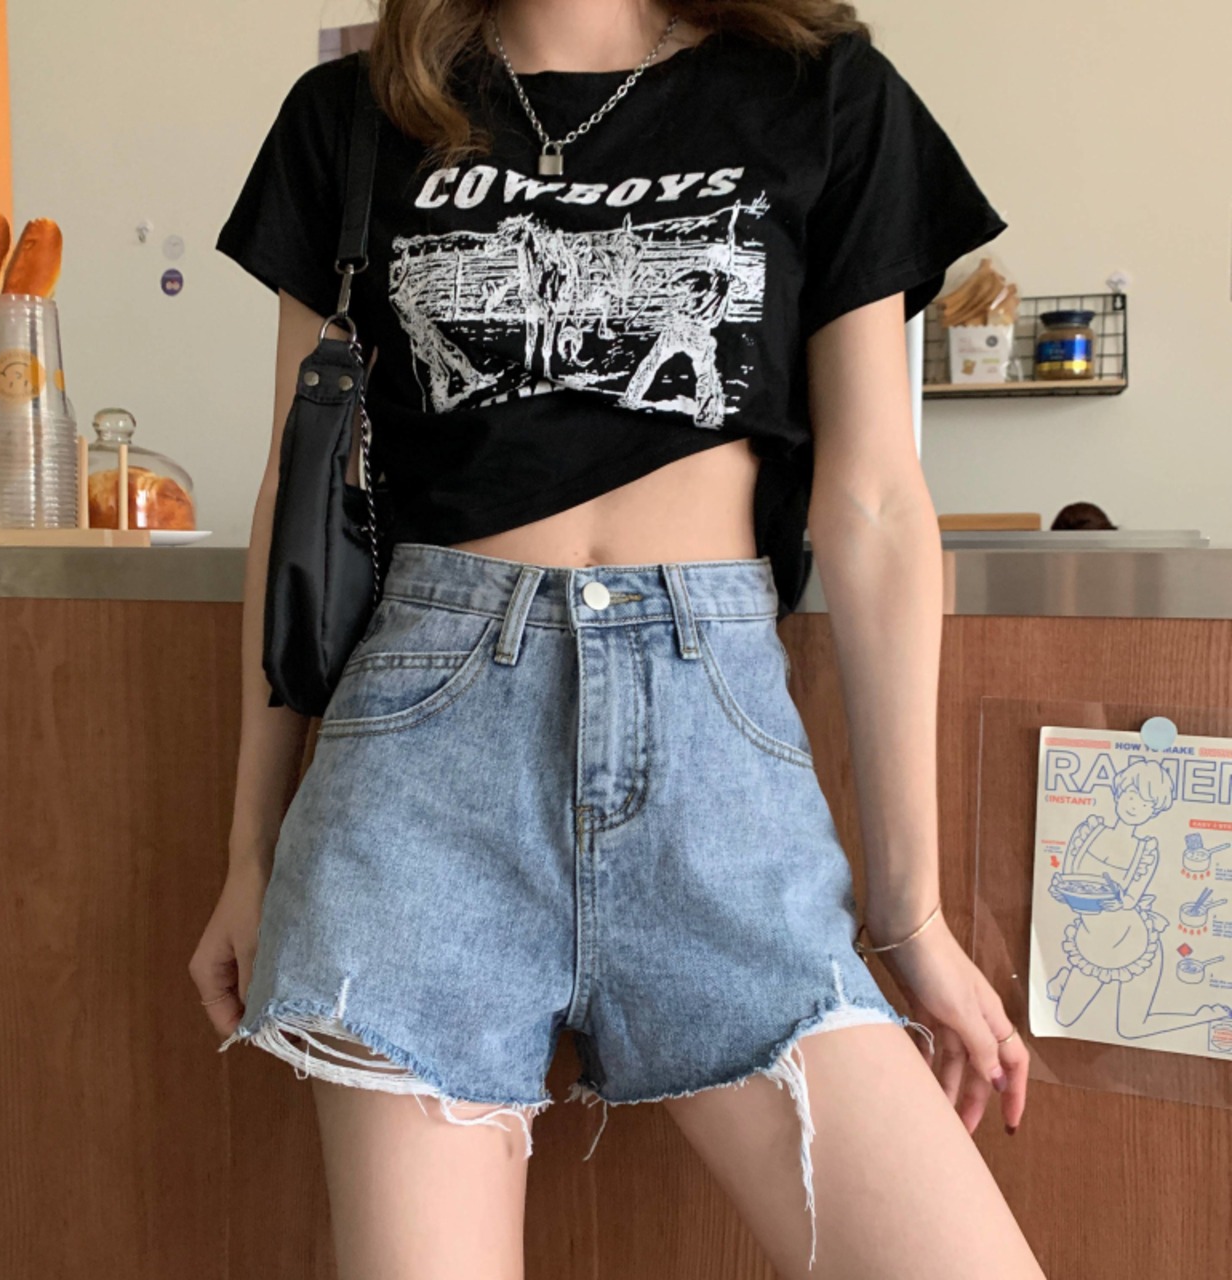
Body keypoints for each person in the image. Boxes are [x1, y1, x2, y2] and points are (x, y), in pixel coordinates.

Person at [189, 2, 1046, 1276]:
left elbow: (872, 502)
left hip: (716, 767)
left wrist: (907, 909)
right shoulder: (357, 112)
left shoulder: (819, 91)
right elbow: (295, 497)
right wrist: (248, 849)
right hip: (419, 776)